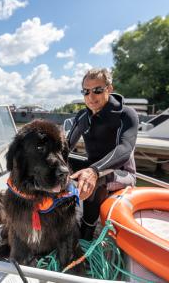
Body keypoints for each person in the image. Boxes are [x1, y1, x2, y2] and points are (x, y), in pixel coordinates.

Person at [67, 68, 139, 240]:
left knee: (95, 180)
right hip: (93, 167)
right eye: (86, 91)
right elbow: (65, 147)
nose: (91, 97)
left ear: (109, 89)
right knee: (55, 165)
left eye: (97, 90)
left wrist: (94, 171)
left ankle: (87, 230)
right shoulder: (83, 116)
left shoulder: (126, 114)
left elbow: (125, 148)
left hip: (122, 173)